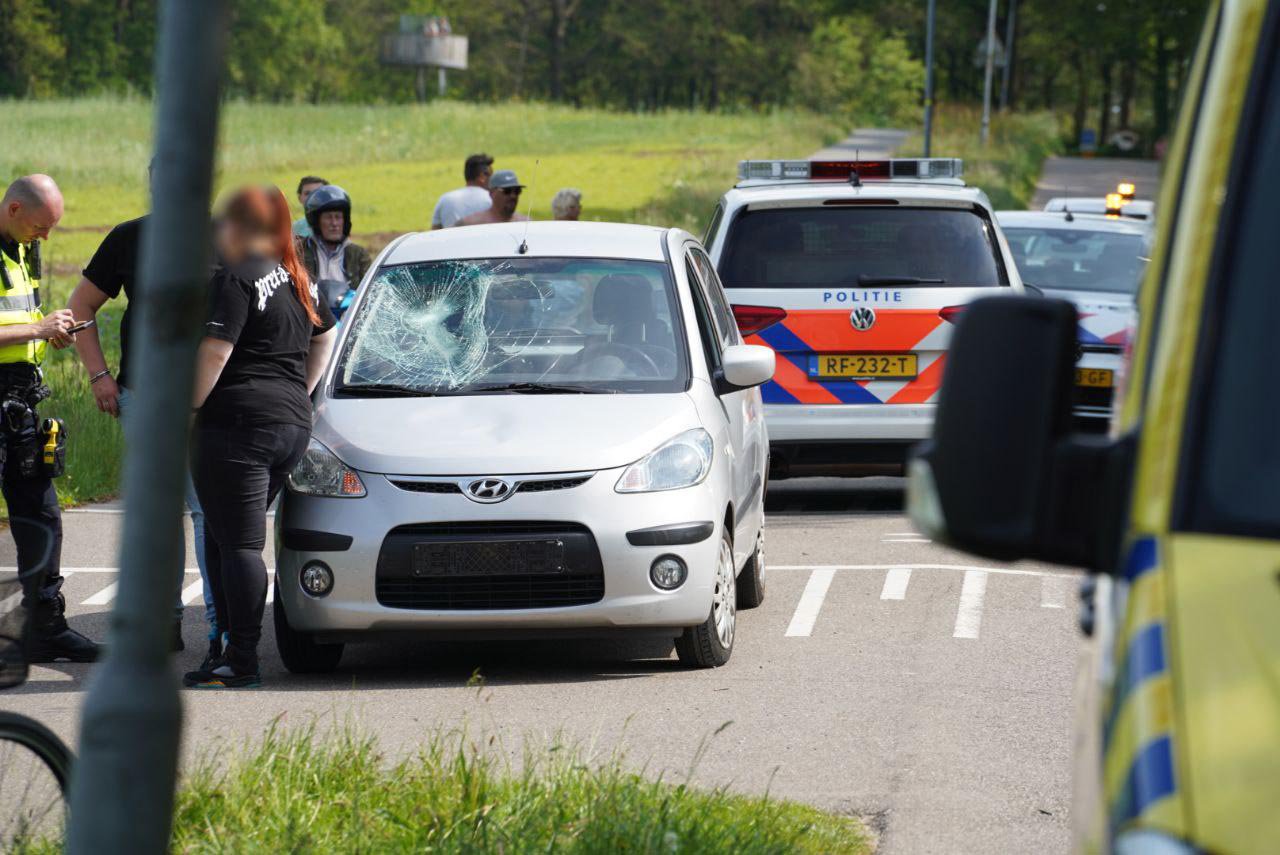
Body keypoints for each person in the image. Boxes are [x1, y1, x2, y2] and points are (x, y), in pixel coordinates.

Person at [183, 186, 336, 689]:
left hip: (238, 425)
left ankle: (241, 659)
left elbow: (215, 353)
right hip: (291, 423)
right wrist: (298, 391)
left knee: (240, 544)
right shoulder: (300, 279)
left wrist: (187, 410)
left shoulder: (237, 275)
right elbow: (326, 337)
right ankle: (231, 649)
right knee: (232, 538)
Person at [67, 164, 216, 657]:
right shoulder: (128, 238)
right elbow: (80, 305)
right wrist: (98, 375)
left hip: (208, 402)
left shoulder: (224, 240)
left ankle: (220, 627)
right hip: (144, 398)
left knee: (204, 511)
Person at [0, 175, 98, 662]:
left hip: (18, 401)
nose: (46, 238)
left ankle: (44, 627)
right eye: (41, 226)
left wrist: (45, 335)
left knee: (41, 515)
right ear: (14, 209)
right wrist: (34, 327)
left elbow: (16, 323)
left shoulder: (22, 248)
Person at [298, 184, 371, 317]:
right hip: (311, 318)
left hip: (347, 319)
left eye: (338, 217)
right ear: (316, 222)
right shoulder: (301, 251)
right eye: (328, 217)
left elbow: (370, 294)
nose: (334, 223)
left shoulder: (359, 255)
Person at [430, 154, 493, 229]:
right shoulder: (492, 199)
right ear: (482, 176)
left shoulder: (445, 199)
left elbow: (435, 230)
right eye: (491, 175)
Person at [456, 170, 529, 226]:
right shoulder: (471, 224)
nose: (513, 196)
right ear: (491, 193)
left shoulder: (526, 224)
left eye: (517, 191)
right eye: (507, 191)